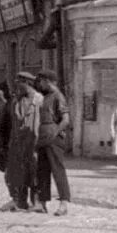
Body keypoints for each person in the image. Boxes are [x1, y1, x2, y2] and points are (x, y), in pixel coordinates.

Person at [0, 71, 42, 211]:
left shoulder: (40, 100)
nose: (17, 86)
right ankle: (20, 201)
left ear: (27, 83)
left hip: (34, 142)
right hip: (17, 143)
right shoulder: (15, 101)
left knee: (35, 173)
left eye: (19, 83)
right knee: (17, 173)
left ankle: (37, 202)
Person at [34, 69, 72, 216]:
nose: (39, 84)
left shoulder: (58, 96)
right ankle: (42, 203)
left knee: (58, 170)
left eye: (41, 81)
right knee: (42, 171)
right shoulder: (45, 96)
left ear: (47, 81)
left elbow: (65, 119)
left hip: (53, 138)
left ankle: (63, 203)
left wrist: (54, 132)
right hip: (42, 138)